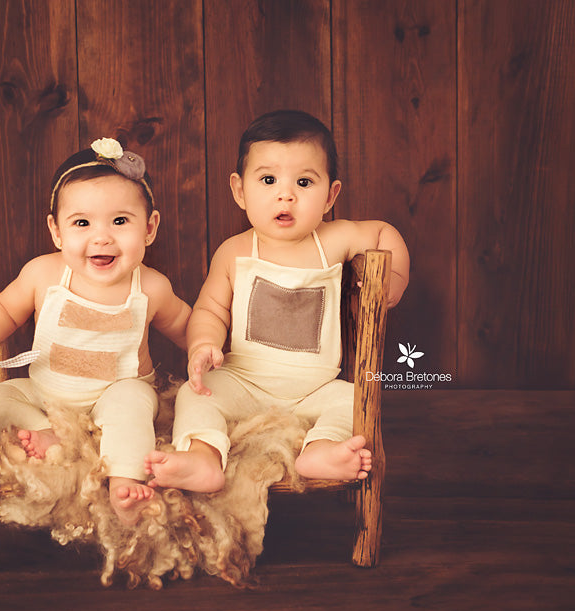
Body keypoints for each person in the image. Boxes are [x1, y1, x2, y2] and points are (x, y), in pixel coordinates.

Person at [145, 110, 410, 493]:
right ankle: (203, 456)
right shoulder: (234, 252)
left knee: (352, 398)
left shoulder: (334, 239)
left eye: (304, 182)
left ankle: (321, 450)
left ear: (330, 195)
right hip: (244, 383)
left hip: (313, 388)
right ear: (240, 191)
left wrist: (394, 281)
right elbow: (210, 310)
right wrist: (203, 344)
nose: (285, 194)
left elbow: (384, 232)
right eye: (268, 180)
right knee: (195, 394)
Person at [0, 138, 191, 525]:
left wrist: (209, 347)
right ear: (57, 232)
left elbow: (186, 327)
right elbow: (4, 310)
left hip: (115, 397)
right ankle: (49, 436)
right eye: (82, 223)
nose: (101, 237)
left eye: (120, 221)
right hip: (47, 397)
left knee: (134, 403)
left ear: (149, 228)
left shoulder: (152, 287)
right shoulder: (42, 274)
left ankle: (125, 482)